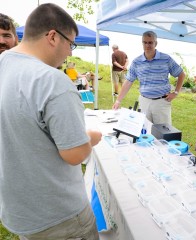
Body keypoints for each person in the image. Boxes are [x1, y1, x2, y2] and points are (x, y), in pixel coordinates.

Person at [0, 4, 102, 239]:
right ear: (53, 37)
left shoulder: (4, 63)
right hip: (60, 217)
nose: (71, 53)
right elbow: (75, 154)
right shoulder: (52, 81)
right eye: (71, 44)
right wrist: (92, 136)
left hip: (20, 210)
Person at [112, 31, 185, 125]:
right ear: (142, 43)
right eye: (145, 42)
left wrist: (175, 92)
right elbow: (128, 82)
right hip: (144, 102)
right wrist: (118, 100)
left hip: (161, 102)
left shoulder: (166, 59)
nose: (147, 45)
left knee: (163, 133)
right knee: (145, 132)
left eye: (150, 42)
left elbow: (181, 74)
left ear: (156, 43)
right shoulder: (136, 62)